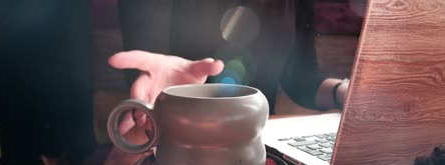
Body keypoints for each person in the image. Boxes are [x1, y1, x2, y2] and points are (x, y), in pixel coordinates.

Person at [109, 0, 350, 132]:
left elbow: (302, 80)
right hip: (176, 144)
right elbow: (145, 67)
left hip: (258, 149)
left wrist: (345, 92)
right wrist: (165, 94)